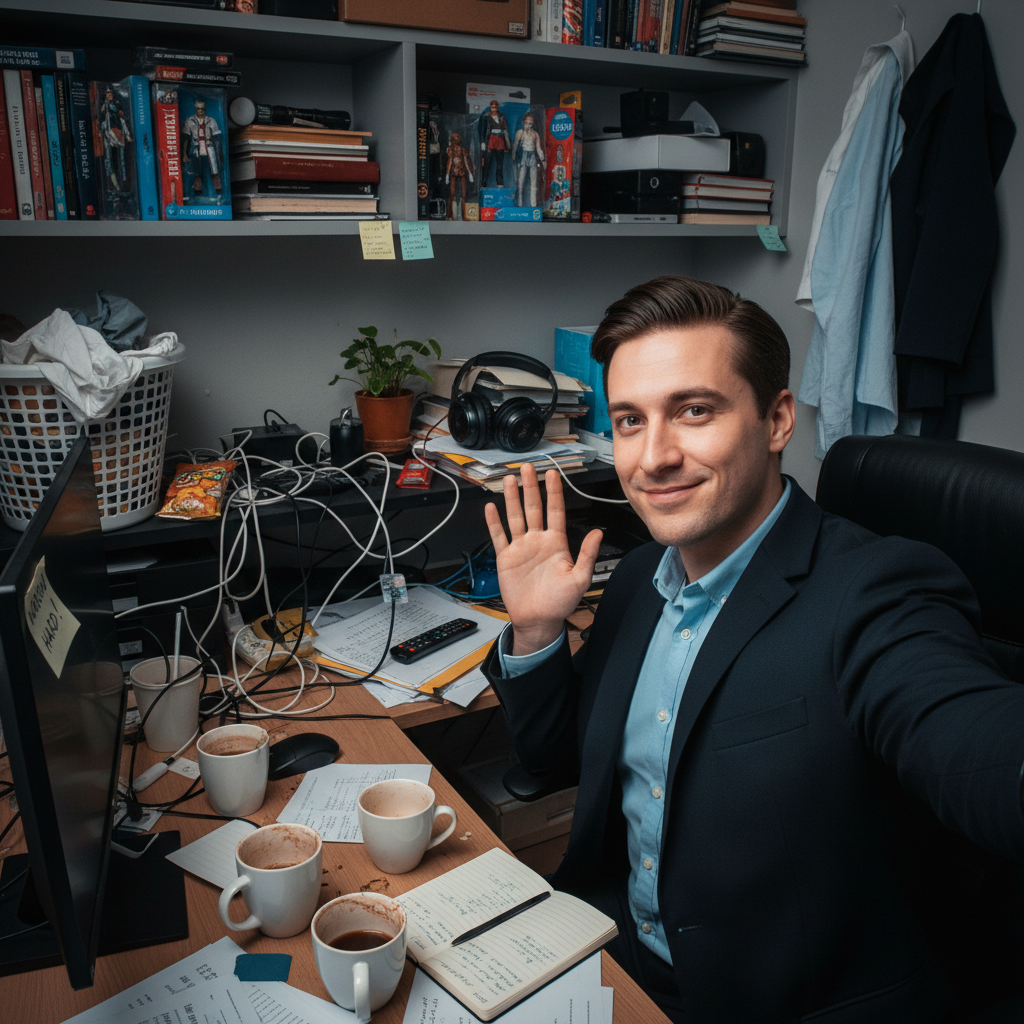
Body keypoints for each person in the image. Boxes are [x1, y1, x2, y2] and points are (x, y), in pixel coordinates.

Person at [482, 276, 1024, 1023]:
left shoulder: (880, 593)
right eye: (632, 421)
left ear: (776, 420)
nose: (653, 458)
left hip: (780, 1001)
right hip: (617, 958)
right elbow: (554, 761)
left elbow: (966, 732)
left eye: (693, 411)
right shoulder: (641, 575)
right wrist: (539, 631)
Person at [181, 98, 223, 196]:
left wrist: (220, 153)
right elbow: (186, 139)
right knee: (196, 172)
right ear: (195, 109)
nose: (200, 111)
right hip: (195, 147)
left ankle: (218, 191)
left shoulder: (211, 120)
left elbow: (217, 138)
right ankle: (197, 191)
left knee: (214, 170)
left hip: (209, 147)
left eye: (202, 109)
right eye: (198, 109)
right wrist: (184, 155)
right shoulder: (190, 121)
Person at [511, 112, 545, 206]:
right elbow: (515, 146)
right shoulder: (520, 133)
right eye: (526, 123)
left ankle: (533, 205)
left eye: (530, 123)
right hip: (523, 156)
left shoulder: (535, 134)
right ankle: (520, 203)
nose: (528, 125)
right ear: (523, 122)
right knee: (520, 182)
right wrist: (513, 158)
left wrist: (543, 160)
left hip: (532, 156)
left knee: (534, 183)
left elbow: (538, 148)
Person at [478, 99, 511, 187]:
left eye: (495, 107)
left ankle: (500, 183)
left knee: (500, 164)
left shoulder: (501, 116)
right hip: (490, 140)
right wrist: (483, 143)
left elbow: (505, 130)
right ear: (490, 107)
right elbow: (482, 130)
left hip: (500, 140)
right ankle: (483, 182)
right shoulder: (486, 116)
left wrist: (508, 144)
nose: (494, 109)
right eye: (492, 107)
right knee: (487, 163)